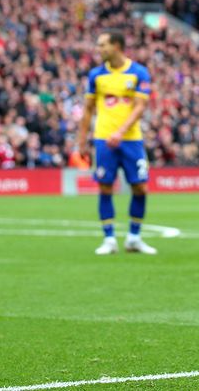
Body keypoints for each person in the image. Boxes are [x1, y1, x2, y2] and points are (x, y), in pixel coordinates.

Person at [76, 30, 155, 256]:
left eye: (103, 45)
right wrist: (81, 141)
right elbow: (88, 110)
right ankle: (109, 239)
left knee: (140, 187)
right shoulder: (96, 75)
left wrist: (120, 132)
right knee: (105, 186)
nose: (99, 50)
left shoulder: (139, 72)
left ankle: (134, 237)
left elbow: (140, 107)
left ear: (117, 46)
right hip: (103, 139)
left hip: (131, 140)